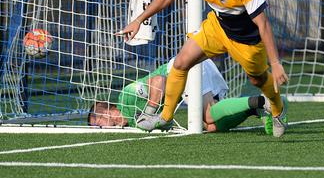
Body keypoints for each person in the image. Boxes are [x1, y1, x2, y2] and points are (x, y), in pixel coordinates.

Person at [118, 0, 289, 137]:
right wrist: (138, 20)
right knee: (181, 63)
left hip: (247, 42)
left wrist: (276, 63)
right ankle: (164, 117)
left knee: (257, 81)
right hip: (216, 28)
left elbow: (264, 24)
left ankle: (277, 110)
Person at [88, 57, 274, 133]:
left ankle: (261, 100)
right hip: (192, 69)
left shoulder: (125, 99)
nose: (98, 125)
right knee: (209, 126)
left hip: (183, 69)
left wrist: (151, 111)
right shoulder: (130, 121)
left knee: (208, 115)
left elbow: (160, 80)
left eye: (96, 119)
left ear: (105, 109)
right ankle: (254, 109)